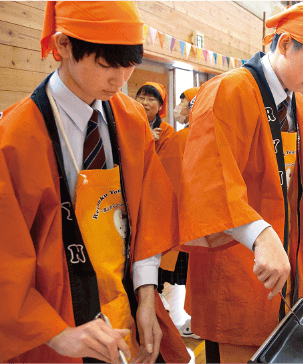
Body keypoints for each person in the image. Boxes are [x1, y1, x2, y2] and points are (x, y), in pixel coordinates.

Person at [0, 2, 189, 363]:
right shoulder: (15, 138)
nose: (120, 81)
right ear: (64, 45)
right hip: (59, 324)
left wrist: (147, 296)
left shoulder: (131, 119)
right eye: (106, 65)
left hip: (128, 305)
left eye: (129, 65)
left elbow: (148, 213)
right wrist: (56, 334)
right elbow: (5, 261)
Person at [177, 3, 303, 362]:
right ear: (285, 43)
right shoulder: (228, 91)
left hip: (282, 264)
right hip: (235, 268)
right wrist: (262, 236)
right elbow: (210, 185)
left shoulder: (299, 105)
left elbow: (293, 182)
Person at [156, 87, 199, 339]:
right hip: (199, 219)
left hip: (180, 219)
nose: (178, 107)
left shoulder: (180, 139)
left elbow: (166, 182)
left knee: (176, 276)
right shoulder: (205, 135)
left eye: (183, 102)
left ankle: (187, 322)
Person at [134, 82, 174, 153]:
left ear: (160, 106)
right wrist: (147, 138)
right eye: (141, 98)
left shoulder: (166, 130)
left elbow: (163, 160)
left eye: (151, 99)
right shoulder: (126, 123)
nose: (145, 103)